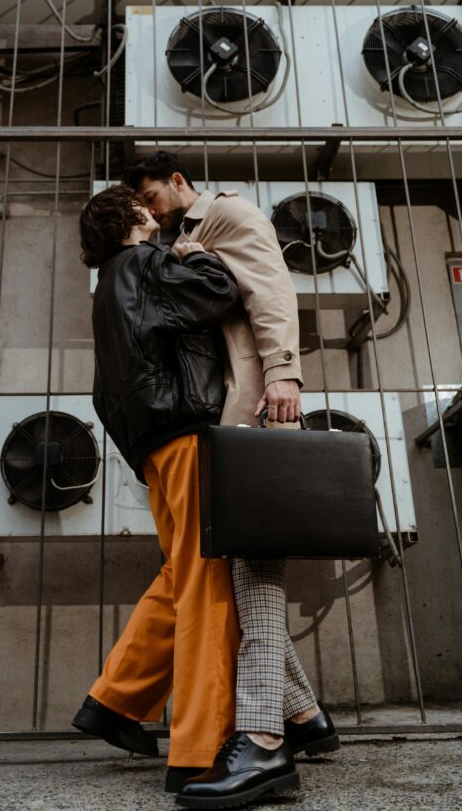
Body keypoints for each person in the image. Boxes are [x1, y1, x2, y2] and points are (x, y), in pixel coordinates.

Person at [123, 152, 339, 809]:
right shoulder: (175, 239)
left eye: (152, 195)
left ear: (179, 182)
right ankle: (305, 718)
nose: (150, 209)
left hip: (253, 410)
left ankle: (264, 742)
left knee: (254, 577)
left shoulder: (227, 214)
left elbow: (271, 290)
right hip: (218, 424)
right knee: (240, 575)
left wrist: (282, 372)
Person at [72, 184, 243, 794]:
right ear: (133, 218)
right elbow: (218, 295)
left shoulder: (106, 288)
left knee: (180, 574)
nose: (156, 212)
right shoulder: (147, 262)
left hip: (150, 447)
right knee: (206, 584)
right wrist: (194, 253)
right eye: (144, 206)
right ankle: (201, 748)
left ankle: (116, 701)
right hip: (185, 431)